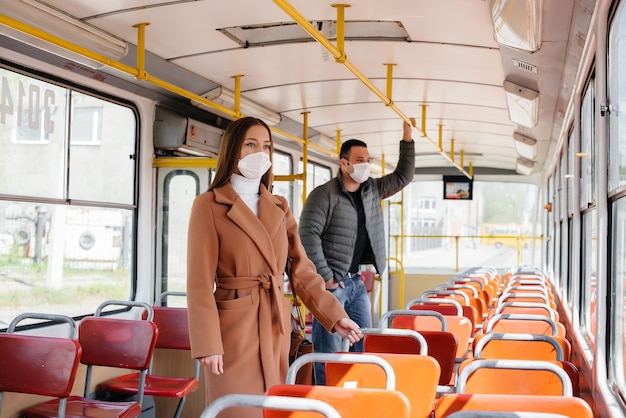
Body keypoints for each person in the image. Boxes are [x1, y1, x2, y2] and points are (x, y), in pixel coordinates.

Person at [186, 116, 362, 418]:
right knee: (236, 410)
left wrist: (335, 315)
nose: (261, 152)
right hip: (231, 333)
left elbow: (302, 270)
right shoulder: (209, 205)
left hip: (274, 326)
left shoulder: (279, 206)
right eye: (251, 144)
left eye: (266, 146)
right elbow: (199, 283)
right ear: (233, 150)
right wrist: (208, 343)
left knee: (272, 409)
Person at [298, 118, 416, 384]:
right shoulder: (323, 195)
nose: (366, 164)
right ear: (344, 163)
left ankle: (357, 392)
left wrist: (407, 138)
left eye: (368, 159)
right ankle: (324, 398)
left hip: (356, 282)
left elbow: (403, 177)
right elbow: (307, 235)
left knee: (363, 340)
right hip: (332, 285)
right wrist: (326, 277)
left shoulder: (371, 190)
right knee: (326, 350)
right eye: (359, 159)